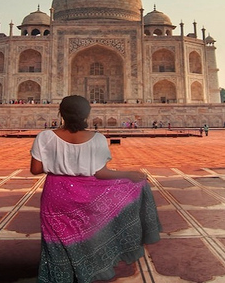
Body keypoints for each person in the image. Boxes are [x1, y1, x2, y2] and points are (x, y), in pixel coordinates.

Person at [30, 95, 161, 282]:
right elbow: (101, 173)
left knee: (56, 239)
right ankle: (84, 271)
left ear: (60, 113)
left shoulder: (44, 137)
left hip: (55, 193)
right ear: (87, 114)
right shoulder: (97, 138)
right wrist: (127, 175)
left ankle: (59, 276)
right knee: (85, 233)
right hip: (85, 192)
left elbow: (35, 170)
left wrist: (58, 166)